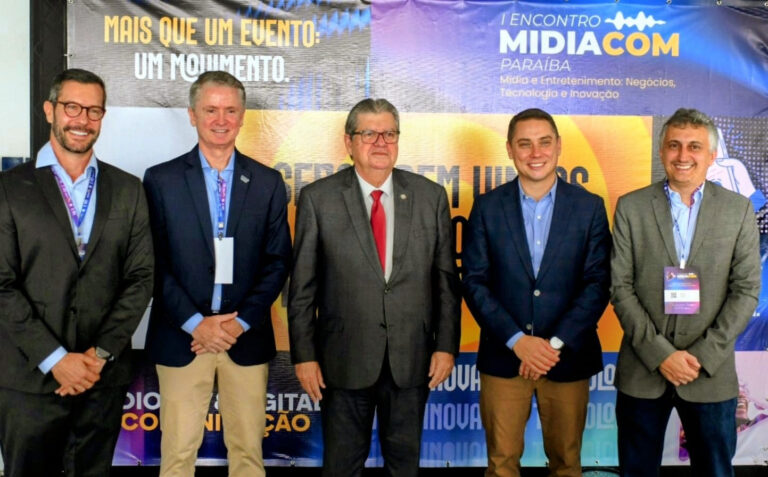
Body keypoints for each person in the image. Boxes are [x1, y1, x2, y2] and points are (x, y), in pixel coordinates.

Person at [288, 98, 461, 477]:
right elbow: (302, 288)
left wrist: (446, 346)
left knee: (404, 468)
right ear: (348, 142)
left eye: (389, 134)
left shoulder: (430, 197)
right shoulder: (318, 199)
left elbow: (446, 282)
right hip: (342, 360)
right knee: (341, 467)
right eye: (369, 133)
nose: (381, 142)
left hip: (411, 360)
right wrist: (304, 356)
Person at [0, 68, 154, 477]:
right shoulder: (8, 188)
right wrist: (55, 360)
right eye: (72, 107)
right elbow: (2, 284)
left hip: (100, 380)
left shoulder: (129, 189)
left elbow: (140, 278)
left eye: (93, 110)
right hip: (29, 381)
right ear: (50, 110)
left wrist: (97, 356)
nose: (82, 119)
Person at [143, 71, 291, 477]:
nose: (220, 120)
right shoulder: (161, 180)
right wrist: (197, 324)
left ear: (242, 117)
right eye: (210, 110)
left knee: (248, 456)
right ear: (192, 115)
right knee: (177, 457)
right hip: (182, 338)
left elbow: (278, 261)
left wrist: (238, 323)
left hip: (245, 338)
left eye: (230, 110)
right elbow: (152, 263)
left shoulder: (267, 182)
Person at [611, 108, 761, 477]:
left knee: (714, 471)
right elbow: (620, 286)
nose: (683, 155)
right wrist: (661, 355)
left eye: (694, 146)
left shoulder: (738, 209)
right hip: (643, 372)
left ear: (712, 155)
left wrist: (701, 355)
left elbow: (746, 291)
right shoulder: (631, 206)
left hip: (709, 374)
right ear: (662, 151)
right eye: (674, 145)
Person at [462, 108, 611, 477]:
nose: (535, 153)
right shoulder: (487, 207)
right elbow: (475, 282)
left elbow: (598, 283)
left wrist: (552, 345)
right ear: (510, 149)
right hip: (504, 357)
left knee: (567, 465)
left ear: (559, 146)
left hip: (567, 358)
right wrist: (518, 341)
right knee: (501, 465)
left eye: (544, 142)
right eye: (524, 144)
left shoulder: (590, 207)